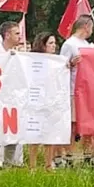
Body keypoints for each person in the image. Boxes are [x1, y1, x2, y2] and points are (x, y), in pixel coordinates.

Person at [0, 21, 25, 169]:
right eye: (16, 33)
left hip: (12, 101)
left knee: (12, 133)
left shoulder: (18, 56)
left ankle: (9, 164)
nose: (19, 36)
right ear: (7, 35)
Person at [59, 15, 94, 166]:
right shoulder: (69, 44)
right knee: (72, 124)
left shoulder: (87, 45)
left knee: (87, 123)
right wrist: (71, 63)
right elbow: (61, 66)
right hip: (73, 89)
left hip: (87, 90)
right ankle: (69, 155)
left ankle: (88, 154)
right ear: (86, 26)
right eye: (91, 27)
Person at [27, 32, 60, 170]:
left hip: (51, 101)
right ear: (43, 45)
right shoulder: (33, 60)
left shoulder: (58, 61)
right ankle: (33, 166)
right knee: (35, 134)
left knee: (50, 134)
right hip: (36, 101)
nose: (54, 46)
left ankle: (48, 165)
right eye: (50, 43)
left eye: (54, 43)